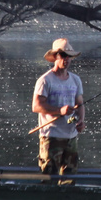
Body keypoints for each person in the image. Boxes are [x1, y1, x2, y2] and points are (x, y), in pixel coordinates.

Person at [33, 37, 85, 174]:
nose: (66, 59)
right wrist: (59, 111)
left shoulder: (75, 79)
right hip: (51, 136)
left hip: (71, 136)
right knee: (49, 177)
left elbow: (79, 104)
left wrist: (80, 121)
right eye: (63, 55)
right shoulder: (45, 80)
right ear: (56, 56)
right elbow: (36, 106)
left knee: (70, 178)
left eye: (69, 56)